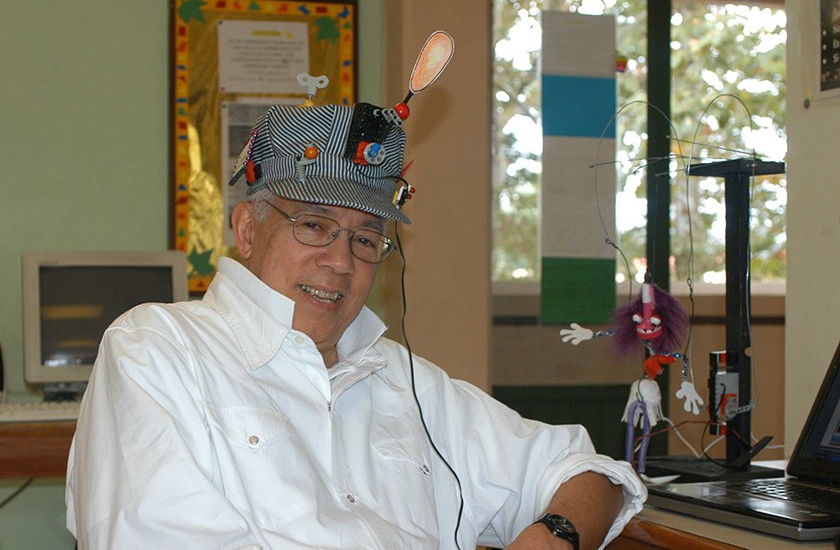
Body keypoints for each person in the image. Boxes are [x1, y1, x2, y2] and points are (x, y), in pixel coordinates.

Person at [66, 81, 646, 549]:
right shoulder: (158, 349)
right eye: (314, 225)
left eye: (366, 239)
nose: (341, 262)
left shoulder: (406, 381)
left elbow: (588, 473)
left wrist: (554, 539)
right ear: (247, 229)